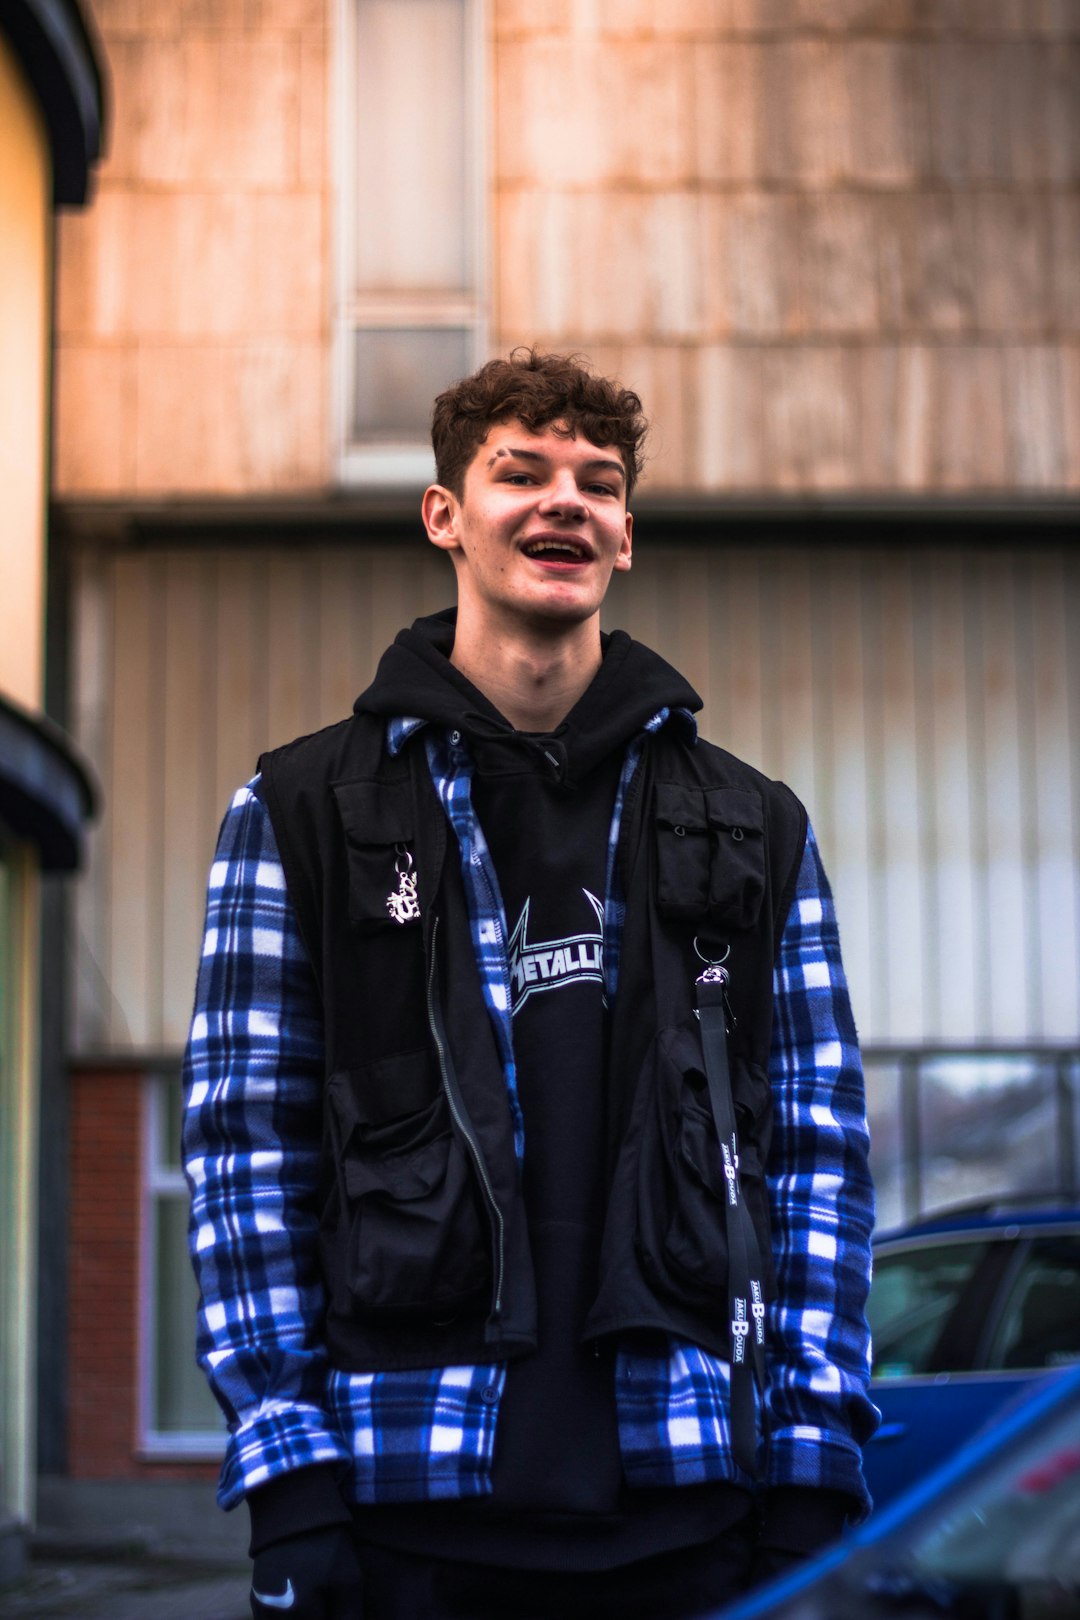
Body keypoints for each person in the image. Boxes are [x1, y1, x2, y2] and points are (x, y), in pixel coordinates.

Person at [182, 349, 877, 1620]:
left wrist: (813, 1469)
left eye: (598, 483)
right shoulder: (299, 811)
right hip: (406, 1517)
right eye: (522, 471)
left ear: (627, 537)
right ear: (444, 514)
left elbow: (818, 1158)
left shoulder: (754, 825)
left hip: (694, 1508)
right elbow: (244, 1154)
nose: (567, 500)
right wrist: (289, 1480)